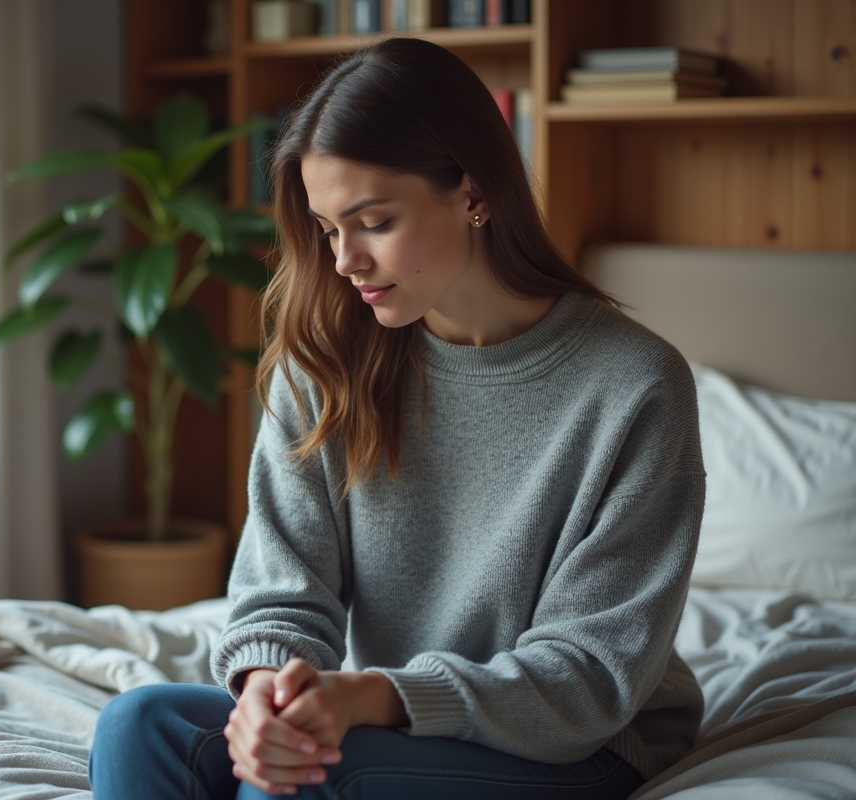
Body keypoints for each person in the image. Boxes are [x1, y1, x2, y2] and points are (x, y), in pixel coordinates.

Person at [89, 36, 704, 799]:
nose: (343, 260)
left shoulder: (635, 385)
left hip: (583, 743)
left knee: (313, 777)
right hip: (400, 719)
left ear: (473, 193)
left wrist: (372, 696)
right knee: (140, 726)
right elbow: (281, 590)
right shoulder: (323, 360)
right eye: (327, 228)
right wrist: (263, 697)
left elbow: (590, 675)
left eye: (373, 221)